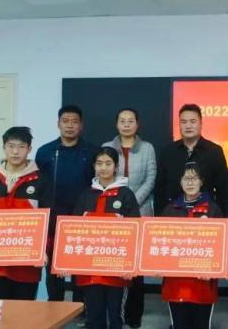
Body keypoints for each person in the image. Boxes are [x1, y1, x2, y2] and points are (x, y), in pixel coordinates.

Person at [0, 126, 50, 300]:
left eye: (21, 147)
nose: (15, 151)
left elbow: (49, 221)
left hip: (27, 263)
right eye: (11, 146)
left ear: (29, 149)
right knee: (1, 308)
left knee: (24, 310)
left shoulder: (41, 181)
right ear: (4, 147)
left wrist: (44, 251)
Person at [70, 147, 140, 329]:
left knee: (116, 317)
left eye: (108, 163)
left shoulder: (126, 195)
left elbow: (136, 231)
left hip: (117, 270)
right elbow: (73, 230)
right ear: (94, 166)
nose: (103, 168)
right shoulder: (86, 194)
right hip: (90, 270)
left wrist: (131, 265)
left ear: (116, 166)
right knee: (93, 317)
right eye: (99, 163)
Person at [36, 105, 98, 302]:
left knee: (81, 265)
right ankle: (55, 308)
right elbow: (38, 186)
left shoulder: (92, 152)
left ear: (81, 125)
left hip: (82, 218)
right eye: (65, 121)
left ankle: (80, 308)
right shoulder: (45, 152)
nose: (70, 126)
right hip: (53, 218)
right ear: (58, 124)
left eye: (74, 122)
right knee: (54, 268)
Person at [103, 108, 157, 328]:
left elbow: (151, 178)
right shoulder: (107, 146)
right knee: (114, 262)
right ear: (117, 124)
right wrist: (119, 201)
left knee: (136, 267)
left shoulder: (147, 148)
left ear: (137, 124)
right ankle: (115, 313)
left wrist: (131, 201)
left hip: (140, 211)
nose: (126, 124)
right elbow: (104, 175)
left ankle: (134, 315)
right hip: (112, 213)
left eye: (130, 121)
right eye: (122, 121)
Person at [160, 162, 223, 329]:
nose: (190, 183)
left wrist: (213, 269)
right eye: (186, 178)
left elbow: (221, 245)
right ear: (180, 182)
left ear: (201, 181)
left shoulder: (213, 210)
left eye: (194, 178)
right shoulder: (169, 209)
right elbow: (160, 242)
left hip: (203, 281)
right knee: (179, 324)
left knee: (201, 324)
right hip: (175, 281)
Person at [154, 104, 228, 213]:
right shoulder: (168, 151)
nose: (188, 126)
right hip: (173, 213)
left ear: (201, 123)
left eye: (193, 122)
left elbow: (224, 190)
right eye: (183, 122)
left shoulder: (214, 151)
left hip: (206, 214)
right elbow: (160, 189)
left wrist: (221, 217)